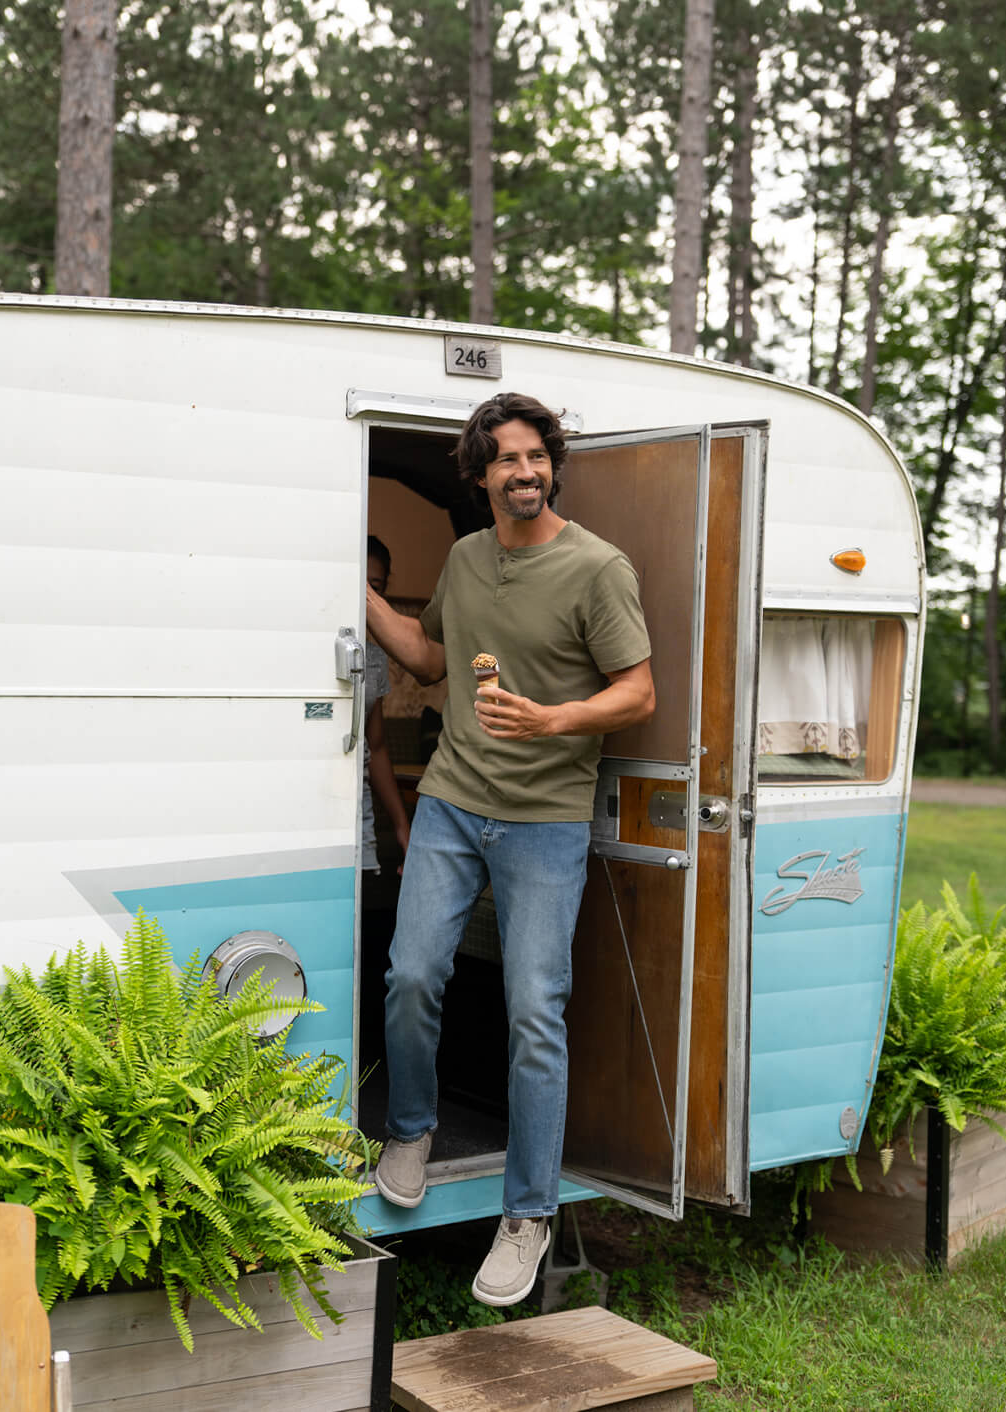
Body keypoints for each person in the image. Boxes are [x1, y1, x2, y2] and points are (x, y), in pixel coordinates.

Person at [365, 392, 655, 1307]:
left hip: (545, 819)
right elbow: (429, 658)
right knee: (412, 974)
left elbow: (638, 691)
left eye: (536, 456)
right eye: (506, 460)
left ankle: (527, 1214)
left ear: (551, 465)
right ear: (481, 474)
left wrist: (554, 719)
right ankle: (410, 1128)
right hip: (453, 801)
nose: (524, 472)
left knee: (535, 1010)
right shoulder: (464, 557)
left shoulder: (597, 567)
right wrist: (355, 593)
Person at [362, 536, 411, 877]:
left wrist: (401, 826)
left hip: (357, 819)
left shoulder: (373, 659)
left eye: (374, 587)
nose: (363, 595)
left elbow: (375, 747)